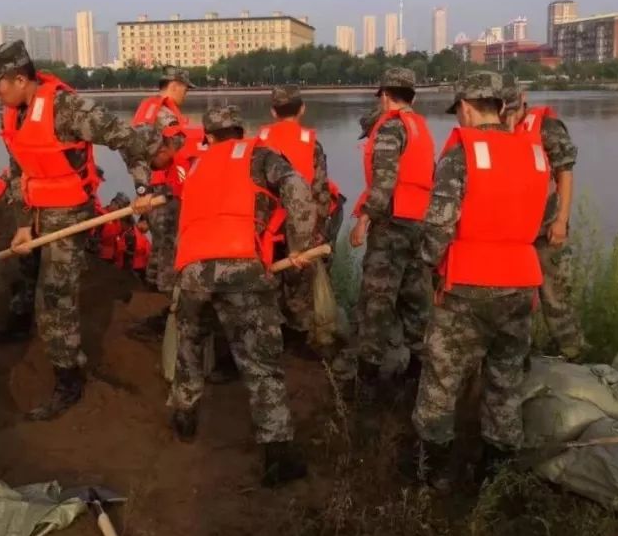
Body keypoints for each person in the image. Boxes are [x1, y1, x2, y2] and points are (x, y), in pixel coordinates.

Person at [0, 40, 159, 420]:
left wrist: (143, 189)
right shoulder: (13, 113)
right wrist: (21, 224)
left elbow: (126, 139)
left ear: (19, 78)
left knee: (55, 297)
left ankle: (69, 378)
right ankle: (17, 327)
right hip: (36, 211)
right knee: (26, 269)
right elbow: (18, 170)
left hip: (70, 213)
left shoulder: (68, 108)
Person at [410, 72, 550, 490]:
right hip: (521, 285)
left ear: (467, 108)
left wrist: (427, 264)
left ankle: (433, 472)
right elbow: (544, 219)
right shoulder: (536, 154)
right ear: (502, 108)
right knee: (505, 379)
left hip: (466, 287)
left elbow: (439, 225)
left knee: (441, 379)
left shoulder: (461, 154)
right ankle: (496, 473)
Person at [168, 105, 316, 487]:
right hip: (241, 265)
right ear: (240, 130)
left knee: (189, 345)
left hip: (192, 269)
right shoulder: (259, 155)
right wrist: (299, 246)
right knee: (261, 362)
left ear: (209, 136)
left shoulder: (197, 166)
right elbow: (298, 188)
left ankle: (183, 418)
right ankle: (277, 456)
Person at [335, 68, 435, 384]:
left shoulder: (391, 127)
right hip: (420, 223)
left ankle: (367, 380)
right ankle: (419, 372)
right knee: (416, 299)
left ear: (385, 96)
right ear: (413, 96)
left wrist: (364, 220)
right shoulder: (421, 127)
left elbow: (385, 180)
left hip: (392, 224)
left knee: (376, 303)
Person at [503, 86, 586, 360]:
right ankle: (519, 353)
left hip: (545, 228)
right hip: (512, 233)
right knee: (514, 298)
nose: (509, 118)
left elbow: (565, 173)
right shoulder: (494, 130)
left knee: (554, 295)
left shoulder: (547, 127)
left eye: (513, 110)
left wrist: (562, 220)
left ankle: (572, 352)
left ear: (523, 99)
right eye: (504, 111)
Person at [256, 84, 340, 350]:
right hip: (298, 226)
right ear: (302, 109)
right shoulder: (312, 144)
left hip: (264, 228)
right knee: (299, 285)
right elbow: (320, 192)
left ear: (272, 111)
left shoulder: (258, 141)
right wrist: (320, 229)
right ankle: (297, 336)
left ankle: (270, 334)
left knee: (267, 282)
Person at [128, 66, 204, 338]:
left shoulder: (147, 109)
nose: (186, 93)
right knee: (171, 246)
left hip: (153, 188)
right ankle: (169, 311)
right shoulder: (165, 114)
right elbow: (179, 149)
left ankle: (160, 295)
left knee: (161, 245)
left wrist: (141, 191)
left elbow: (134, 153)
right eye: (185, 88)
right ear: (174, 85)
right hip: (165, 189)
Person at [97, 192, 131, 263]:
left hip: (109, 260)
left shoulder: (117, 222)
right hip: (96, 257)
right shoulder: (99, 215)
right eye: (120, 208)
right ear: (113, 203)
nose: (120, 212)